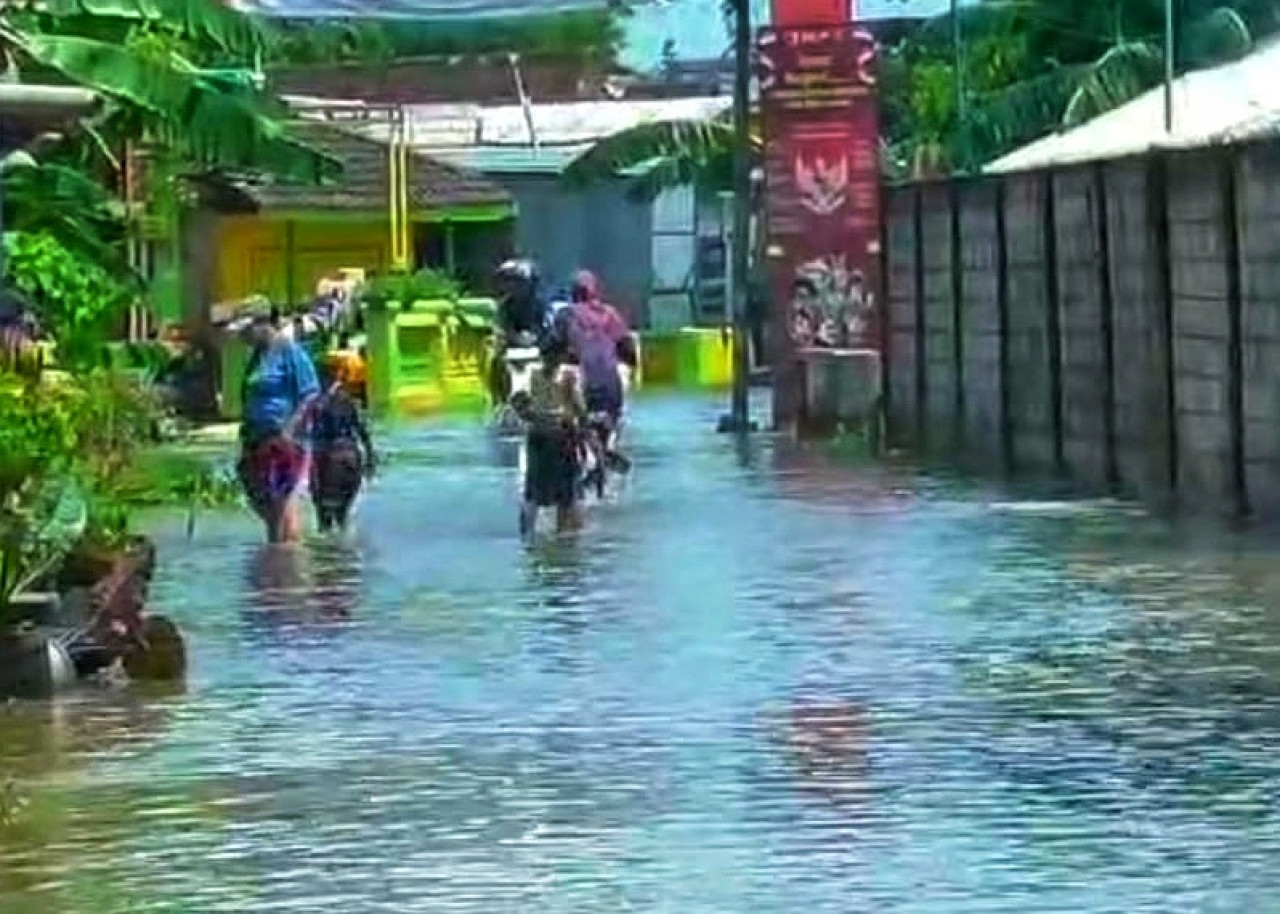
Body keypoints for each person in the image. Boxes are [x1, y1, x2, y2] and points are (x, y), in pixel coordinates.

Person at [236, 307, 321, 544]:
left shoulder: (289, 351)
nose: (243, 336)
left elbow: (310, 393)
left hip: (285, 440)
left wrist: (290, 429)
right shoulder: (257, 357)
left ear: (263, 325)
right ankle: (276, 555)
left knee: (284, 504)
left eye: (247, 329)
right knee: (262, 502)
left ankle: (290, 558)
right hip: (257, 437)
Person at [559, 270, 636, 474]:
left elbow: (552, 346)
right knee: (610, 424)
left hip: (583, 384)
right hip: (612, 384)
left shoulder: (566, 315)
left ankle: (587, 457)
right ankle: (606, 449)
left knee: (569, 425)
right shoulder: (610, 313)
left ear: (573, 293)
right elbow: (628, 349)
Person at [510, 334, 585, 537]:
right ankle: (562, 538)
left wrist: (532, 416)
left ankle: (528, 538)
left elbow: (516, 401)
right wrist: (582, 427)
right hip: (559, 437)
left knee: (534, 490)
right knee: (564, 494)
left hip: (541, 436)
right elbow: (579, 408)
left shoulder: (531, 373)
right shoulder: (567, 376)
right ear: (562, 355)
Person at [310, 353, 376, 533]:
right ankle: (344, 548)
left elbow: (306, 433)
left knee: (324, 518)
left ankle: (330, 549)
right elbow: (363, 432)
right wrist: (370, 459)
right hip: (351, 457)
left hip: (328, 459)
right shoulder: (349, 400)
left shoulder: (316, 402)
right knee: (343, 516)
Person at [489, 258, 549, 408]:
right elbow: (501, 329)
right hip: (513, 352)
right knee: (494, 362)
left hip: (539, 351)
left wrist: (535, 338)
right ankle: (500, 401)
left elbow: (547, 329)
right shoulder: (505, 306)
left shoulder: (542, 304)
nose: (512, 286)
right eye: (510, 281)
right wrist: (512, 337)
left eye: (518, 281)